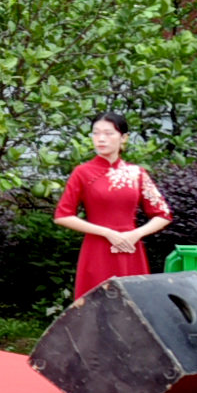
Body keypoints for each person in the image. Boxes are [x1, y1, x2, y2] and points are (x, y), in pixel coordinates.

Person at [54, 112, 172, 302]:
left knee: (134, 304)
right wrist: (107, 233)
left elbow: (163, 214)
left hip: (131, 248)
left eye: (108, 133)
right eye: (96, 133)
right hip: (97, 249)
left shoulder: (137, 173)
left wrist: (136, 234)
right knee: (96, 305)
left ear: (123, 138)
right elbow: (63, 215)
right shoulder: (82, 173)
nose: (101, 139)